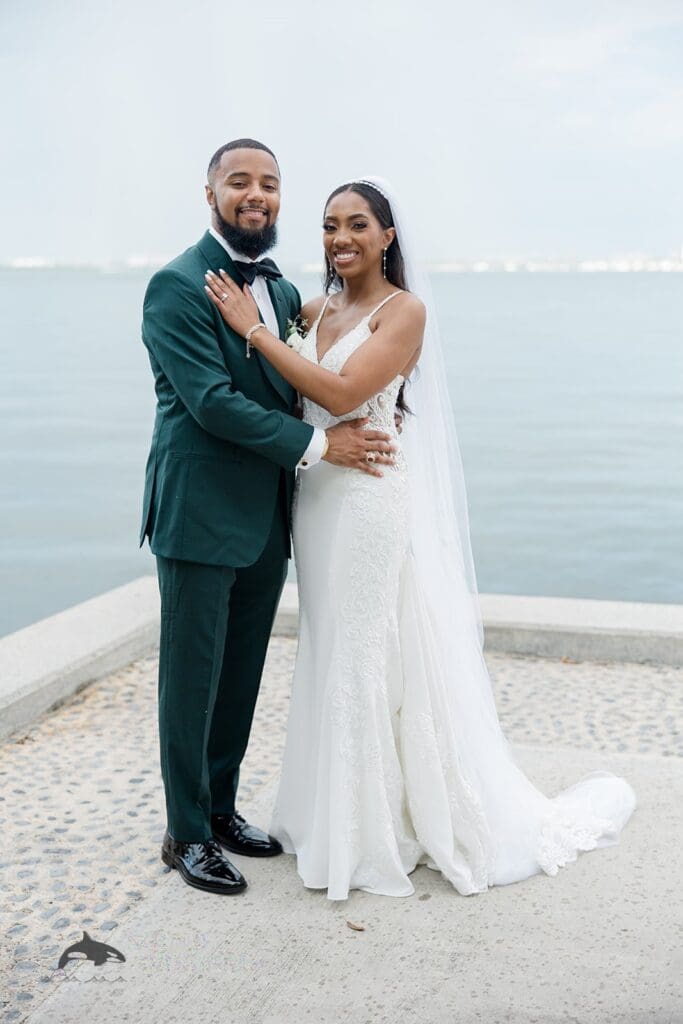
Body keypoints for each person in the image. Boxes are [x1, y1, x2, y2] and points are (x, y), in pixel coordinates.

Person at [206, 175, 637, 901]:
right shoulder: (316, 309)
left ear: (386, 236)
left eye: (356, 225)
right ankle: (327, 816)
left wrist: (251, 328)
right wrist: (254, 321)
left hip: (370, 502)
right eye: (328, 225)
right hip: (315, 500)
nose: (340, 238)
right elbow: (292, 385)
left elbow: (341, 395)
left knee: (364, 651)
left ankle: (368, 835)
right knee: (329, 645)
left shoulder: (403, 311)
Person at [140, 141, 396, 896]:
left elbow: (309, 372)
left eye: (271, 185)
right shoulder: (175, 286)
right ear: (211, 192)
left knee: (241, 674)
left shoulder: (282, 293)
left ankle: (220, 810)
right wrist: (321, 446)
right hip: (198, 513)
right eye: (240, 182)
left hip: (268, 514)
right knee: (191, 678)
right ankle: (185, 834)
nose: (257, 196)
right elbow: (211, 403)